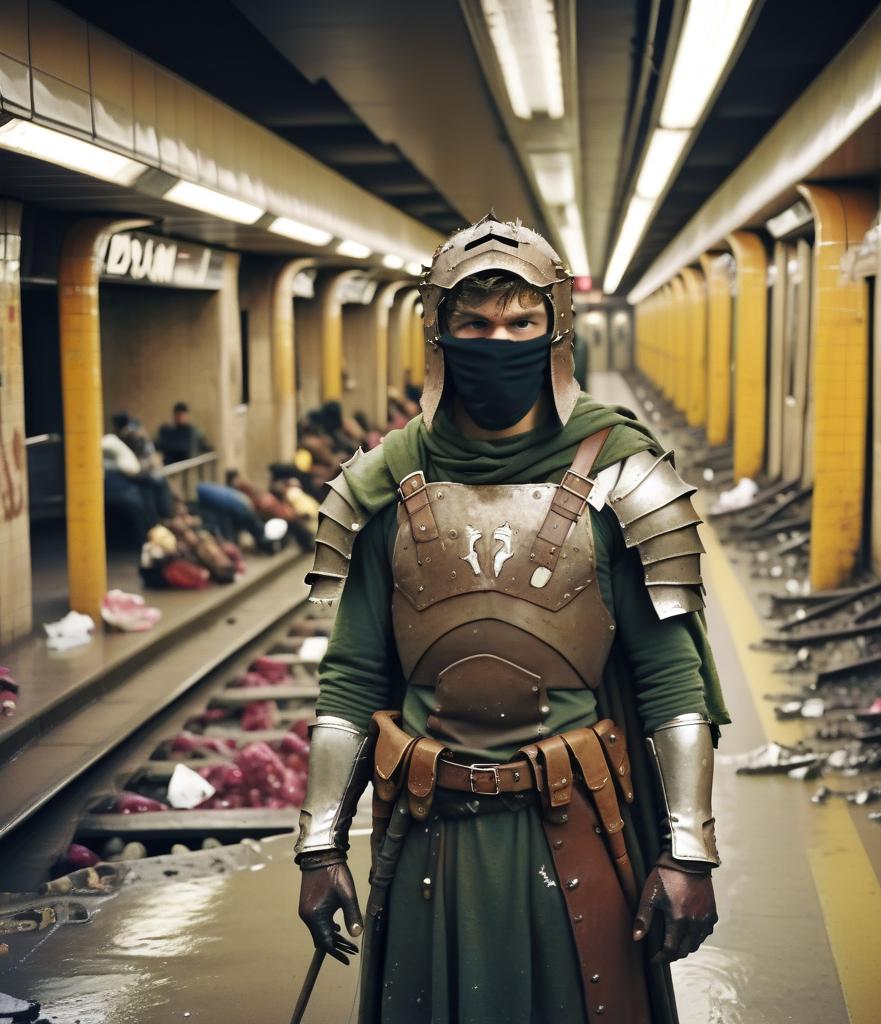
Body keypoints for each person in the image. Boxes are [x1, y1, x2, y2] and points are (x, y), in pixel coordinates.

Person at [295, 214, 730, 1024]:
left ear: (556, 330)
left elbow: (672, 677)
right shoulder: (383, 485)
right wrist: (320, 843)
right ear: (441, 333)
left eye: (522, 322)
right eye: (477, 324)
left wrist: (689, 851)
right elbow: (350, 676)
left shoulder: (623, 481)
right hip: (426, 832)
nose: (500, 342)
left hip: (577, 828)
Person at [156, 402, 212, 466]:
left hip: (189, 468)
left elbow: (206, 447)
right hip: (172, 468)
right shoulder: (168, 432)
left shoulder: (193, 432)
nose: (180, 418)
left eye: (182, 415)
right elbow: (157, 446)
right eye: (178, 415)